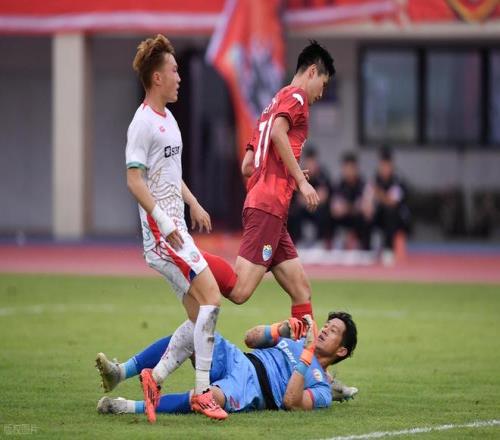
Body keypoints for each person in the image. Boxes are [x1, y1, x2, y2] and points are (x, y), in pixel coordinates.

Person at [111, 34, 227, 421]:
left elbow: (169, 174)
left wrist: (193, 202)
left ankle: (154, 377)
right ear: (157, 77)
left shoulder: (169, 118)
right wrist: (163, 220)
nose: (180, 77)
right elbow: (134, 181)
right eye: (174, 71)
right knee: (213, 298)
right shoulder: (142, 124)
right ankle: (203, 393)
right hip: (165, 236)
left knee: (199, 318)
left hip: (176, 230)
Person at [221, 40, 336, 321]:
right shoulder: (297, 98)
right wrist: (300, 181)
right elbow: (277, 134)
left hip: (267, 206)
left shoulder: (271, 104)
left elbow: (248, 165)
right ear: (312, 71)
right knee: (239, 291)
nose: (322, 93)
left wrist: (286, 172)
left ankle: (301, 352)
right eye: (323, 84)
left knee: (301, 290)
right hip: (268, 206)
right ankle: (192, 262)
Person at [95, 312, 358, 417]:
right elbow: (250, 339)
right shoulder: (299, 340)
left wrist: (307, 354)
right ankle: (121, 372)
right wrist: (280, 329)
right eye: (326, 325)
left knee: (207, 398)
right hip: (240, 358)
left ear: (341, 350)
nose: (325, 329)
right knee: (195, 330)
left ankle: (126, 407)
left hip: (253, 389)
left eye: (333, 331)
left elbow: (291, 401)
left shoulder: (322, 391)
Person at [369, 147, 411, 263]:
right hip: (380, 215)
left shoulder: (398, 180)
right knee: (367, 214)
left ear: (391, 165)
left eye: (386, 165)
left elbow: (392, 202)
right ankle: (367, 248)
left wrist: (378, 193)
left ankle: (388, 249)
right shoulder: (376, 178)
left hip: (398, 219)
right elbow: (368, 197)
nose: (384, 168)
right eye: (382, 165)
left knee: (390, 212)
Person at [288, 147, 333, 247]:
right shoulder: (301, 173)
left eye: (313, 162)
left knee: (325, 212)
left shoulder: (323, 174)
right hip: (303, 208)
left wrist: (309, 198)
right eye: (309, 162)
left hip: (318, 207)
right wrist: (311, 198)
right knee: (294, 212)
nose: (311, 165)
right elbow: (298, 198)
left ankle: (321, 241)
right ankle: (297, 241)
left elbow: (323, 196)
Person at [330, 152, 372, 250]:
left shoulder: (364, 184)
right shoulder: (339, 185)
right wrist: (354, 206)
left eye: (351, 168)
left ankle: (364, 246)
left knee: (365, 218)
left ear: (356, 169)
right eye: (346, 168)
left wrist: (348, 207)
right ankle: (334, 243)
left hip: (358, 220)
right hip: (345, 219)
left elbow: (368, 210)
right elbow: (335, 210)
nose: (348, 172)